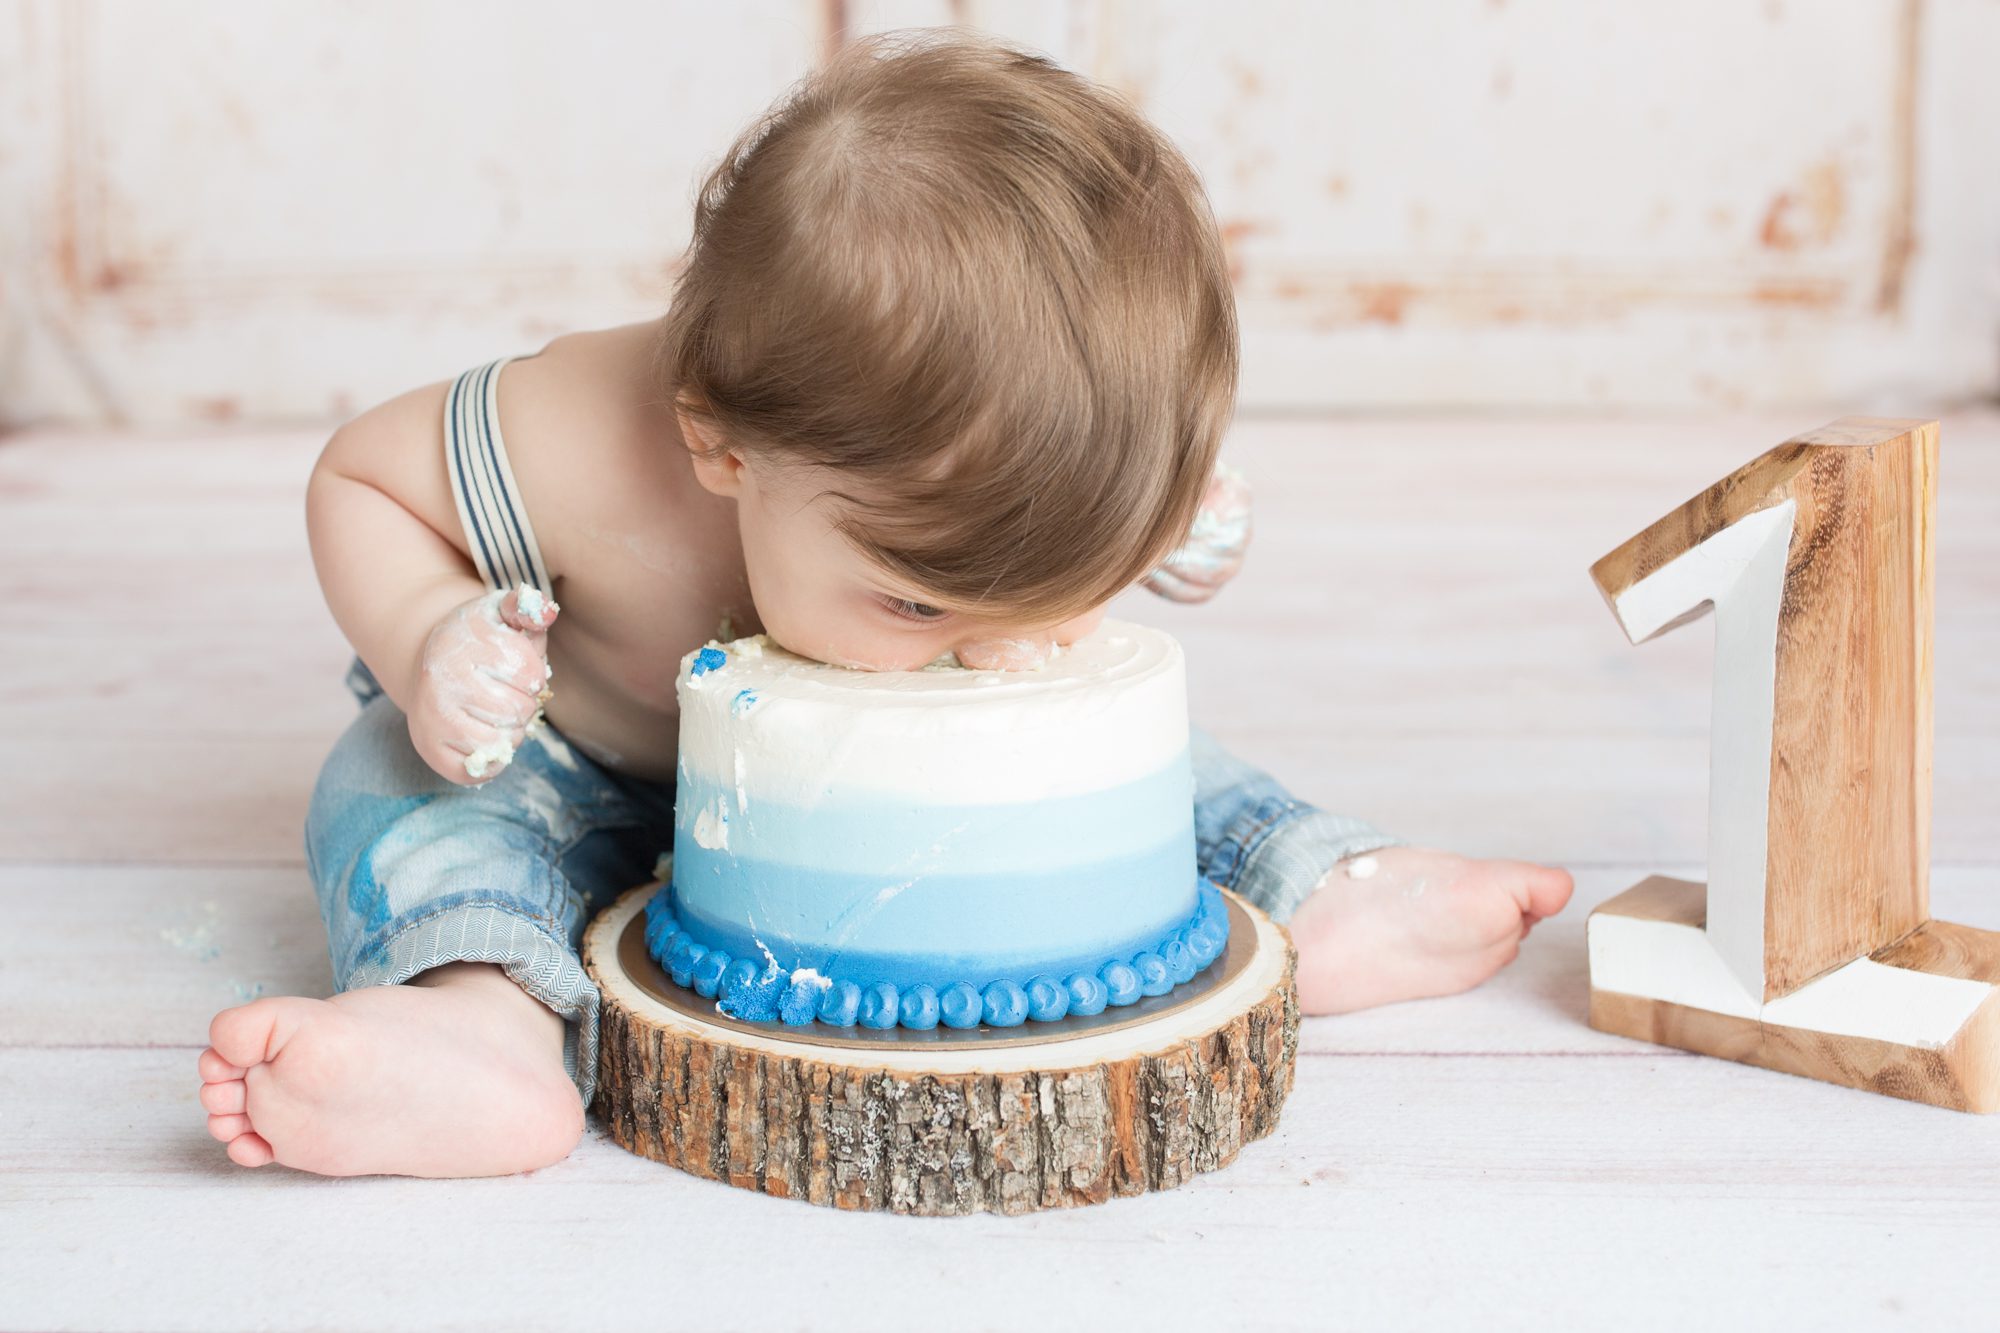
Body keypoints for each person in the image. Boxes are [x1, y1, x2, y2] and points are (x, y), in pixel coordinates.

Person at [197, 28, 1572, 1179]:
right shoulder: (572, 440)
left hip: (895, 799)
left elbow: (1061, 532)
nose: (967, 641)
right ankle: (474, 1019)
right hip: (584, 756)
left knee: (1113, 743)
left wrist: (1158, 533)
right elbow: (361, 479)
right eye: (918, 603)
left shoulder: (1003, 492)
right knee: (407, 797)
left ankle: (1321, 880)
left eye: (1039, 583)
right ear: (722, 443)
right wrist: (428, 632)